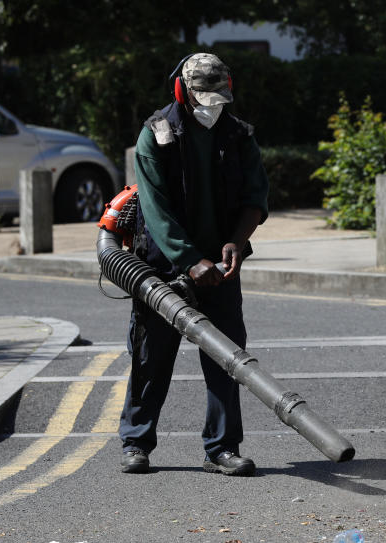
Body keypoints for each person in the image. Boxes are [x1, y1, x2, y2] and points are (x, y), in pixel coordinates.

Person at [119, 53, 269, 476]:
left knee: (226, 360)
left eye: (219, 97)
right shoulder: (156, 135)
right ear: (182, 91)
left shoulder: (239, 135)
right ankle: (136, 442)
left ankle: (221, 448)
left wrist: (236, 244)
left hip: (220, 269)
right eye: (203, 98)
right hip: (162, 268)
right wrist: (189, 260)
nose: (211, 106)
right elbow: (156, 209)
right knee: (151, 357)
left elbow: (256, 197)